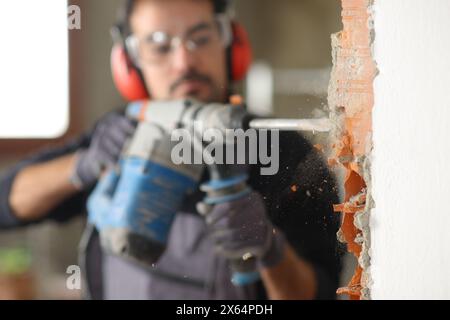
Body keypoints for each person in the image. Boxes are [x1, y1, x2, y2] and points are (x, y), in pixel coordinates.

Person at [0, 0, 341, 300]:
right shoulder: (119, 135)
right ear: (129, 63)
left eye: (201, 37)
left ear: (231, 44)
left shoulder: (281, 152)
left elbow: (321, 293)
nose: (184, 61)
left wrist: (269, 249)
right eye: (160, 46)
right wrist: (83, 164)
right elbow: (7, 204)